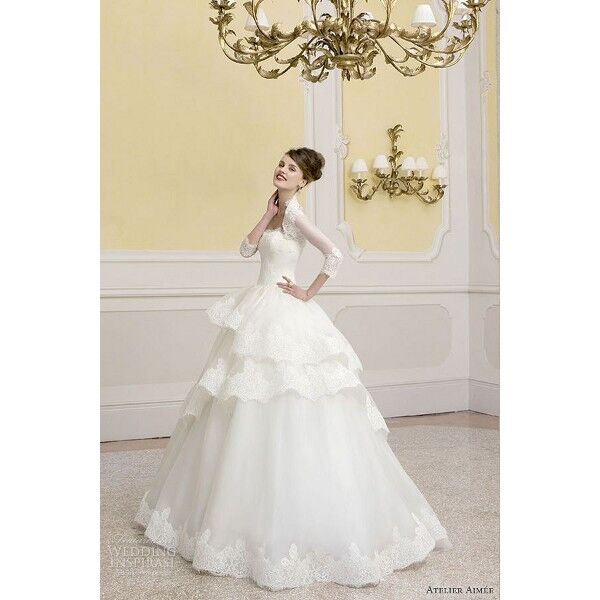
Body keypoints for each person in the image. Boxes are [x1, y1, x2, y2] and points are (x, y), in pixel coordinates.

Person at [133, 147, 452, 591]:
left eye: (292, 168)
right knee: (243, 397)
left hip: (284, 310)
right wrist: (266, 215)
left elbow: (334, 255)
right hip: (257, 307)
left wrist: (307, 292)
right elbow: (246, 249)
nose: (282, 170)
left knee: (288, 397)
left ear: (304, 181)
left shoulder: (298, 215)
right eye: (281, 164)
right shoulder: (276, 211)